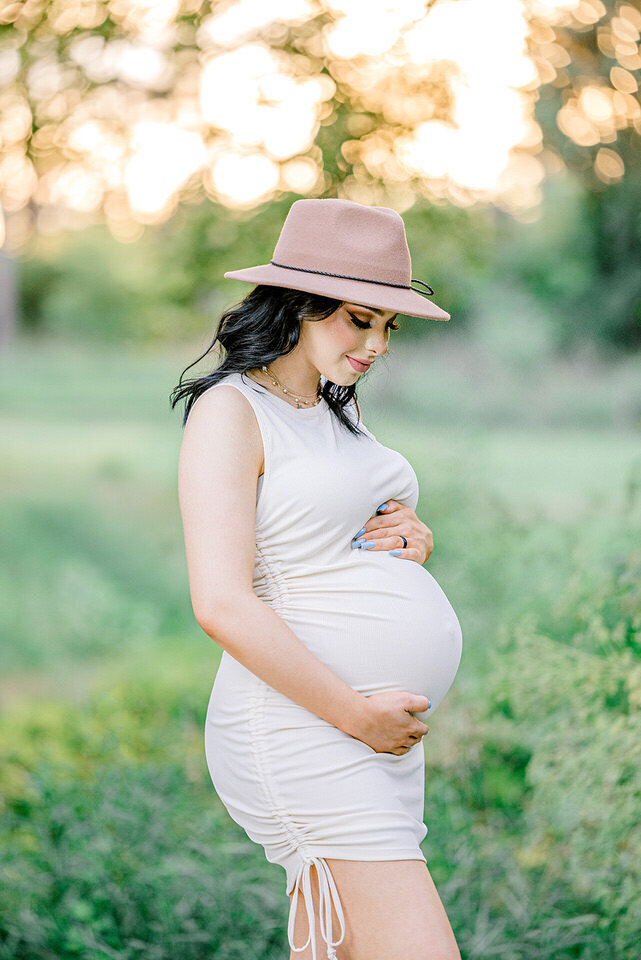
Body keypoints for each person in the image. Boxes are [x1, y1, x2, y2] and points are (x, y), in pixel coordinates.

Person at [173, 198, 463, 960]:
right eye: (358, 319)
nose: (376, 344)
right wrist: (356, 718)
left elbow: (325, 533)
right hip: (303, 725)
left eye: (387, 327)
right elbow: (221, 603)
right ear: (297, 307)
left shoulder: (334, 408)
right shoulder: (230, 412)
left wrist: (411, 537)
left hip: (365, 738)